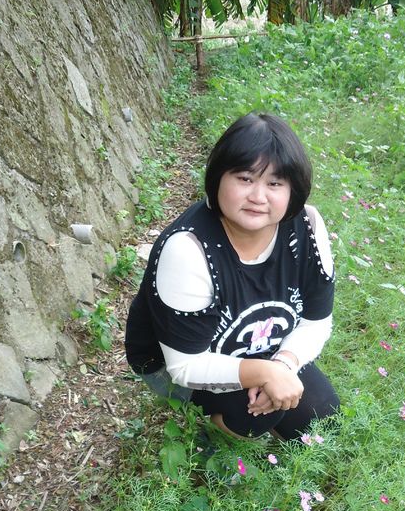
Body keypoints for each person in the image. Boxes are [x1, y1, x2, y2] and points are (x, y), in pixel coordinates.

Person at [124, 112, 339, 441]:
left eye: (275, 183)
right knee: (252, 416)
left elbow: (316, 321)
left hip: (259, 348)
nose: (258, 197)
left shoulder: (306, 226)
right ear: (218, 178)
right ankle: (215, 426)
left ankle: (266, 394)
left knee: (322, 415)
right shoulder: (188, 249)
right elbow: (185, 366)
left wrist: (283, 365)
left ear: (293, 190)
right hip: (175, 362)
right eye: (245, 178)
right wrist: (264, 373)